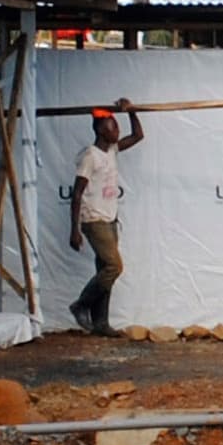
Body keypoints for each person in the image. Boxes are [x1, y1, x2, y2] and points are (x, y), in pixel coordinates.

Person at [67, 100, 145, 336]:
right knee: (114, 266)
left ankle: (101, 323)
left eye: (117, 128)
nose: (117, 131)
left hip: (110, 218)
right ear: (101, 130)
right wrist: (75, 229)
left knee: (104, 270)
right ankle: (81, 304)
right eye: (113, 127)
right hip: (94, 219)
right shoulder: (90, 156)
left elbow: (138, 135)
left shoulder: (111, 150)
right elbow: (77, 192)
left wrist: (131, 111)